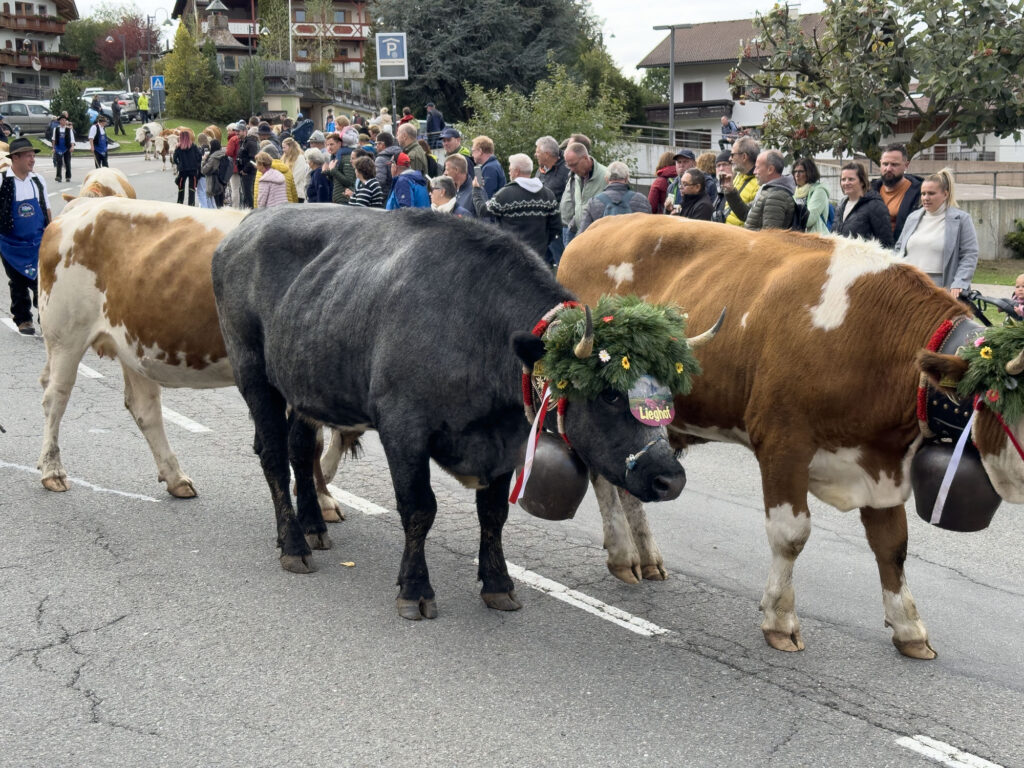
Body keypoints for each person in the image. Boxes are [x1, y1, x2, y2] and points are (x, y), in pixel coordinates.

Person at [894, 168, 978, 298]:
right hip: (910, 285)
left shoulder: (961, 219)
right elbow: (899, 249)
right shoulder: (913, 217)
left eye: (931, 193)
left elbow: (969, 254)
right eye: (923, 194)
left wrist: (959, 282)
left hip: (941, 287)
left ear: (945, 194)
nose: (926, 198)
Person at [0, 137, 50, 335]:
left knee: (41, 279)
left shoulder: (38, 181)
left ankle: (45, 318)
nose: (33, 159)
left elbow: (46, 209)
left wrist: (51, 232)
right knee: (17, 280)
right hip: (9, 242)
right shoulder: (2, 180)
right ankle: (23, 319)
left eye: (33, 155)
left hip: (37, 240)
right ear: (16, 157)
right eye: (28, 156)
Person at [473, 153, 561, 262]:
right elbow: (556, 227)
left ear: (516, 171)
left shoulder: (505, 194)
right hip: (539, 256)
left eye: (510, 169)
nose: (509, 172)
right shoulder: (548, 194)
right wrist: (543, 244)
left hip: (512, 256)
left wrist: (476, 190)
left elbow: (483, 211)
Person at [578, 161, 651, 234]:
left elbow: (582, 234)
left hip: (604, 244)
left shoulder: (593, 202)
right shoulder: (642, 200)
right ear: (626, 178)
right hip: (633, 244)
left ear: (606, 179)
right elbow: (649, 231)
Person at [870, 143, 922, 241]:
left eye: (894, 164)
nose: (888, 169)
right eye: (885, 164)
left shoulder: (921, 194)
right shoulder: (869, 191)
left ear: (906, 165)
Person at [835, 162, 894, 247]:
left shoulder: (875, 205)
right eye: (843, 179)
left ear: (862, 181)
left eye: (851, 179)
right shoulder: (840, 206)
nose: (846, 183)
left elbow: (886, 244)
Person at [560, 142, 608, 243]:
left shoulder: (606, 176)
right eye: (569, 166)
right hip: (575, 232)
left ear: (585, 158)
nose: (572, 169)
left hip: (597, 236)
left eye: (574, 164)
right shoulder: (574, 176)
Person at [743, 150, 795, 231]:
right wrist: (730, 190)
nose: (754, 172)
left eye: (757, 167)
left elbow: (769, 237)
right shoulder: (769, 191)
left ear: (770, 169)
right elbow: (745, 213)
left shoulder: (776, 197)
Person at [721, 136, 761, 227]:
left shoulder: (760, 183)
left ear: (744, 157)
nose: (730, 159)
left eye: (732, 155)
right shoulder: (739, 174)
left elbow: (747, 216)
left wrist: (730, 191)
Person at [792, 157, 830, 234]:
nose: (797, 175)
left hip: (817, 239)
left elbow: (809, 220)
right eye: (795, 171)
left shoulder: (819, 191)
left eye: (801, 171)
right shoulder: (794, 192)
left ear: (809, 173)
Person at [172, 128, 202, 206]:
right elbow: (199, 157)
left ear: (180, 138)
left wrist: (179, 164)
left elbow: (174, 159)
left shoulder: (178, 148)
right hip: (193, 170)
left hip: (182, 170)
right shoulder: (194, 146)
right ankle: (191, 204)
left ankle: (180, 203)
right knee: (192, 188)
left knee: (181, 187)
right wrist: (196, 164)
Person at [470, 135, 506, 201]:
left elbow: (487, 197)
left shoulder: (489, 168)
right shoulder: (494, 165)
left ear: (480, 151)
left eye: (473, 151)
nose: (472, 155)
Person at [325, 129, 356, 204]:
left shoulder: (347, 158)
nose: (329, 147)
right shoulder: (334, 158)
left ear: (339, 144)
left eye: (331, 144)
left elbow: (349, 182)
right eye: (327, 145)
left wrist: (333, 171)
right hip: (338, 199)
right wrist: (327, 172)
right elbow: (335, 180)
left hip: (345, 199)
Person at [442, 153, 475, 218]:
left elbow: (486, 222)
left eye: (447, 169)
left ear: (456, 170)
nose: (444, 173)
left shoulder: (476, 192)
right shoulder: (452, 190)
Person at [236, 124, 260, 209]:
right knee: (246, 194)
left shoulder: (251, 142)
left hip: (249, 173)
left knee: (249, 194)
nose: (236, 133)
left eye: (238, 131)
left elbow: (253, 158)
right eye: (236, 131)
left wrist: (245, 170)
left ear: (244, 131)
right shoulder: (242, 142)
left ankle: (252, 212)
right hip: (243, 172)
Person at [200, 138, 228, 208]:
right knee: (220, 200)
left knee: (214, 202)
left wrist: (204, 160)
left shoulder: (213, 158)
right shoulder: (224, 154)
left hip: (213, 182)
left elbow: (204, 170)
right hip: (222, 180)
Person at [48, 113, 74, 183]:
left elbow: (72, 139)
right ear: (59, 121)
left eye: (65, 120)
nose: (64, 121)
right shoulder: (56, 129)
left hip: (67, 148)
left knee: (67, 163)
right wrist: (53, 148)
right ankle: (58, 176)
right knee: (59, 163)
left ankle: (68, 176)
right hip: (58, 148)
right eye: (62, 120)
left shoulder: (69, 130)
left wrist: (72, 146)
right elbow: (53, 139)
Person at [373, 131, 401, 196]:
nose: (376, 146)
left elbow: (380, 180)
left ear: (382, 144)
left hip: (385, 194)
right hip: (398, 191)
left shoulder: (380, 159)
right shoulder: (400, 154)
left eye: (377, 143)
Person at [281, 137, 309, 202]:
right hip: (287, 193)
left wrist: (287, 187)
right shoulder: (284, 158)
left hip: (297, 193)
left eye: (284, 147)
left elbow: (297, 176)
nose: (283, 150)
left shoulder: (300, 158)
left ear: (290, 147)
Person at [711, 149, 733, 223]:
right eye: (718, 166)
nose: (721, 169)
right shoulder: (716, 187)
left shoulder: (736, 187)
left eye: (724, 164)